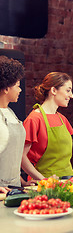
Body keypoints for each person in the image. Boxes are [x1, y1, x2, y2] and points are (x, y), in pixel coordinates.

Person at [22, 72, 73, 180]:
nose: (71, 95)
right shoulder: (34, 119)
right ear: (54, 90)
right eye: (68, 90)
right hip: (45, 187)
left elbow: (61, 159)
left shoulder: (62, 119)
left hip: (68, 182)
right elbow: (21, 157)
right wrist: (43, 180)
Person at [0, 56, 35, 187]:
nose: (20, 90)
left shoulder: (10, 113)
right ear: (6, 88)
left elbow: (11, 159)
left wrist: (24, 183)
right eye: (17, 86)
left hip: (15, 189)